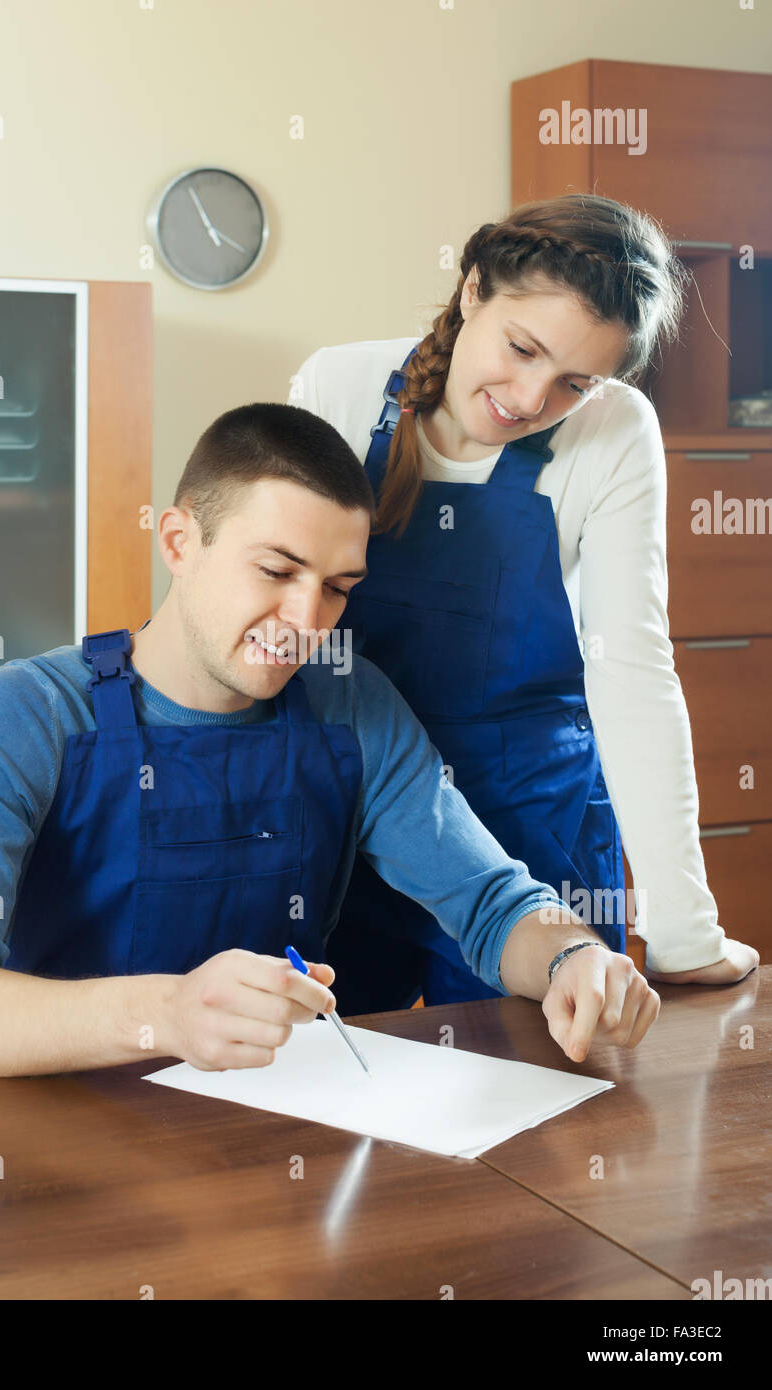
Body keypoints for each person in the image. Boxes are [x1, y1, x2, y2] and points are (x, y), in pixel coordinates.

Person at [0, 403, 660, 1080]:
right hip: (54, 1154)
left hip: (270, 1146)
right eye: (276, 571)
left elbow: (489, 904)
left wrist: (571, 957)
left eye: (337, 588)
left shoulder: (353, 708)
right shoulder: (24, 715)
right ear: (178, 542)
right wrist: (166, 1015)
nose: (307, 622)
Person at [290, 194, 759, 1014]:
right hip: (353, 818)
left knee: (547, 1109)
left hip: (534, 832)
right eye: (520, 348)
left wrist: (683, 933)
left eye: (574, 380)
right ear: (473, 290)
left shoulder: (613, 431)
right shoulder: (341, 385)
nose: (530, 398)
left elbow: (632, 675)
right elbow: (268, 611)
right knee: (328, 1101)